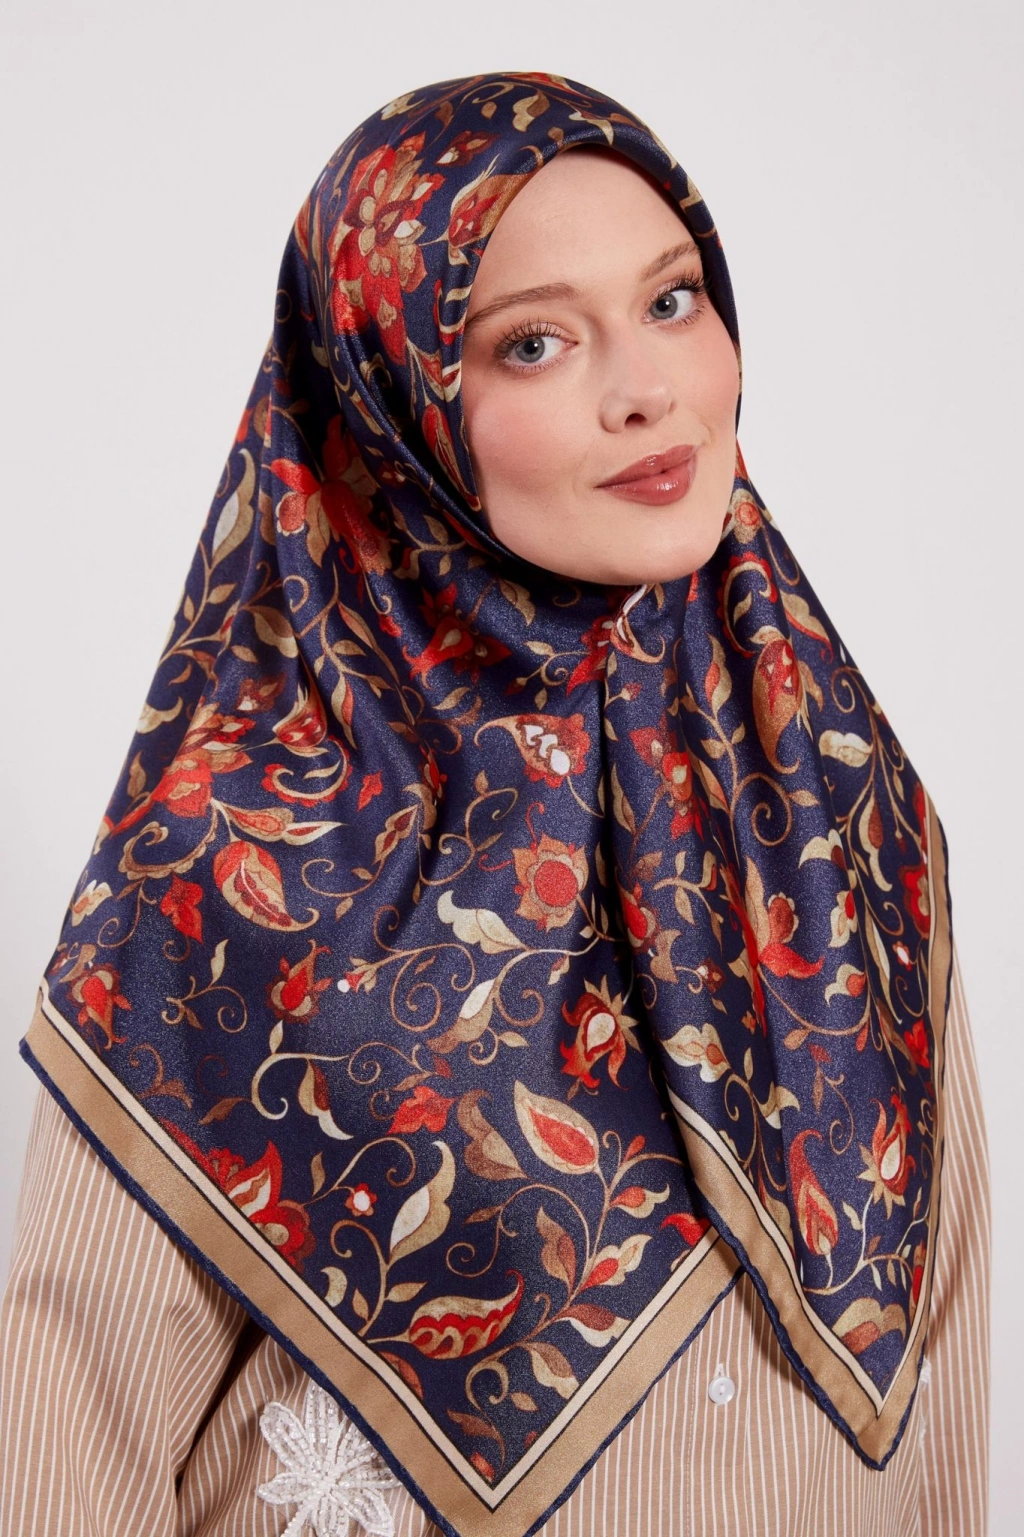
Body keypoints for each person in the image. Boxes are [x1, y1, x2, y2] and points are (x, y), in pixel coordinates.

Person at [0, 72, 989, 1537]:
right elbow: (66, 1439)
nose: (646, 389)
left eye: (672, 301)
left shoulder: (838, 805)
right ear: (388, 402)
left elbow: (939, 1401)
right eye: (534, 341)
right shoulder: (226, 862)